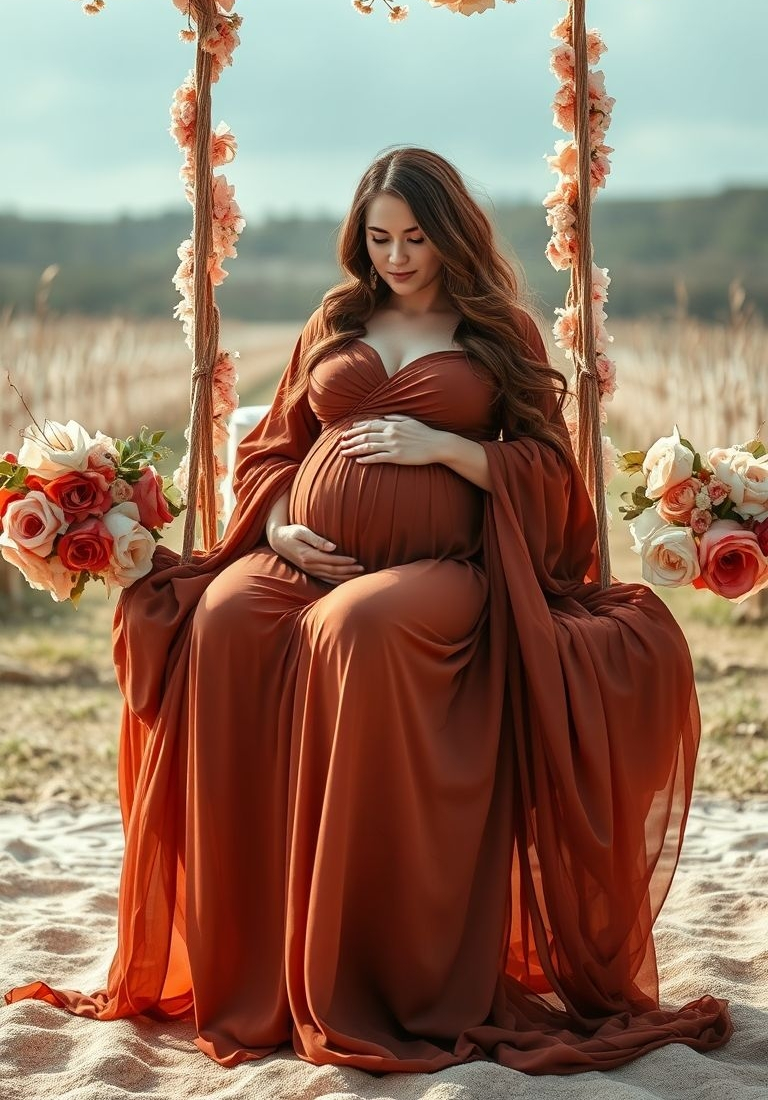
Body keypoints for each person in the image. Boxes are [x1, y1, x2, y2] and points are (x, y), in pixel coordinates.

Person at [4, 146, 732, 1074]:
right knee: (223, 618)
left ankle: (363, 967)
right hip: (306, 558)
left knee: (355, 628)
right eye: (380, 237)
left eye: (416, 238)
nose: (397, 256)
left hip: (449, 566)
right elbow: (271, 449)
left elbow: (551, 471)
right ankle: (253, 967)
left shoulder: (498, 329)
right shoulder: (337, 319)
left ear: (452, 233)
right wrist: (275, 525)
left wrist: (450, 451)